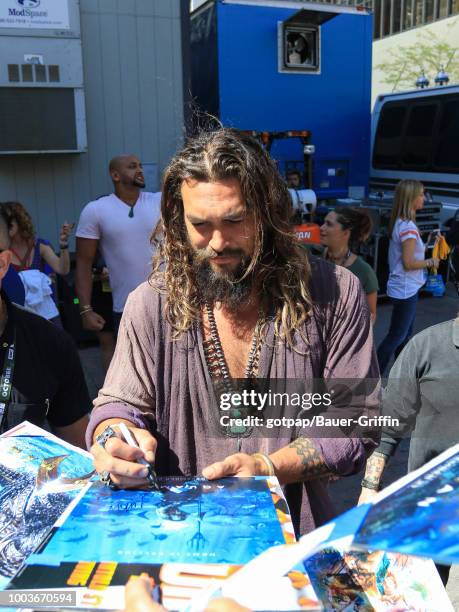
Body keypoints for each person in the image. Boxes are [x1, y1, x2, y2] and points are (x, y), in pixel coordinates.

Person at [86, 128, 379, 537]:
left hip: (295, 541)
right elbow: (117, 404)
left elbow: (354, 418)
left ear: (269, 211)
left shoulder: (334, 292)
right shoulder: (151, 303)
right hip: (176, 539)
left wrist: (269, 468)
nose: (218, 242)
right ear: (177, 219)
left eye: (235, 220)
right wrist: (113, 436)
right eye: (200, 225)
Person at [358, 316, 459, 585]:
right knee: (426, 588)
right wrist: (370, 488)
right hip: (433, 507)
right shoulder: (425, 347)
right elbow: (390, 426)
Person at [0, 208, 90, 446]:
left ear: (2, 264)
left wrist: (62, 245)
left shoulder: (51, 344)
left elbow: (80, 450)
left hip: (42, 316)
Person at [75, 155, 161, 336]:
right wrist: (85, 310)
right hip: (127, 308)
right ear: (115, 175)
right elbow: (83, 263)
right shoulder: (96, 210)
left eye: (140, 165)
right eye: (132, 167)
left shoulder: (161, 201)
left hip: (169, 302)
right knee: (134, 363)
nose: (140, 170)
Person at [376, 180, 439, 375]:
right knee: (397, 336)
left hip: (404, 287)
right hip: (406, 289)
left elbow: (409, 255)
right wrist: (432, 261)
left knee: (404, 335)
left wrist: (427, 243)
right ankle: (373, 377)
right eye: (421, 194)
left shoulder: (402, 223)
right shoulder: (408, 228)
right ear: (411, 198)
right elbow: (409, 263)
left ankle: (402, 376)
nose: (424, 198)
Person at [1, 201, 72, 324]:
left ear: (19, 221)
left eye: (9, 221)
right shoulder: (3, 251)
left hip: (45, 313)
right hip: (17, 314)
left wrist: (64, 245)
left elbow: (62, 269)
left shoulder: (38, 246)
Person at [320, 207, 378, 323]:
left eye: (329, 224)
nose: (321, 228)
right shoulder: (313, 257)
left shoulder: (363, 271)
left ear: (346, 233)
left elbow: (371, 316)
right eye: (323, 222)